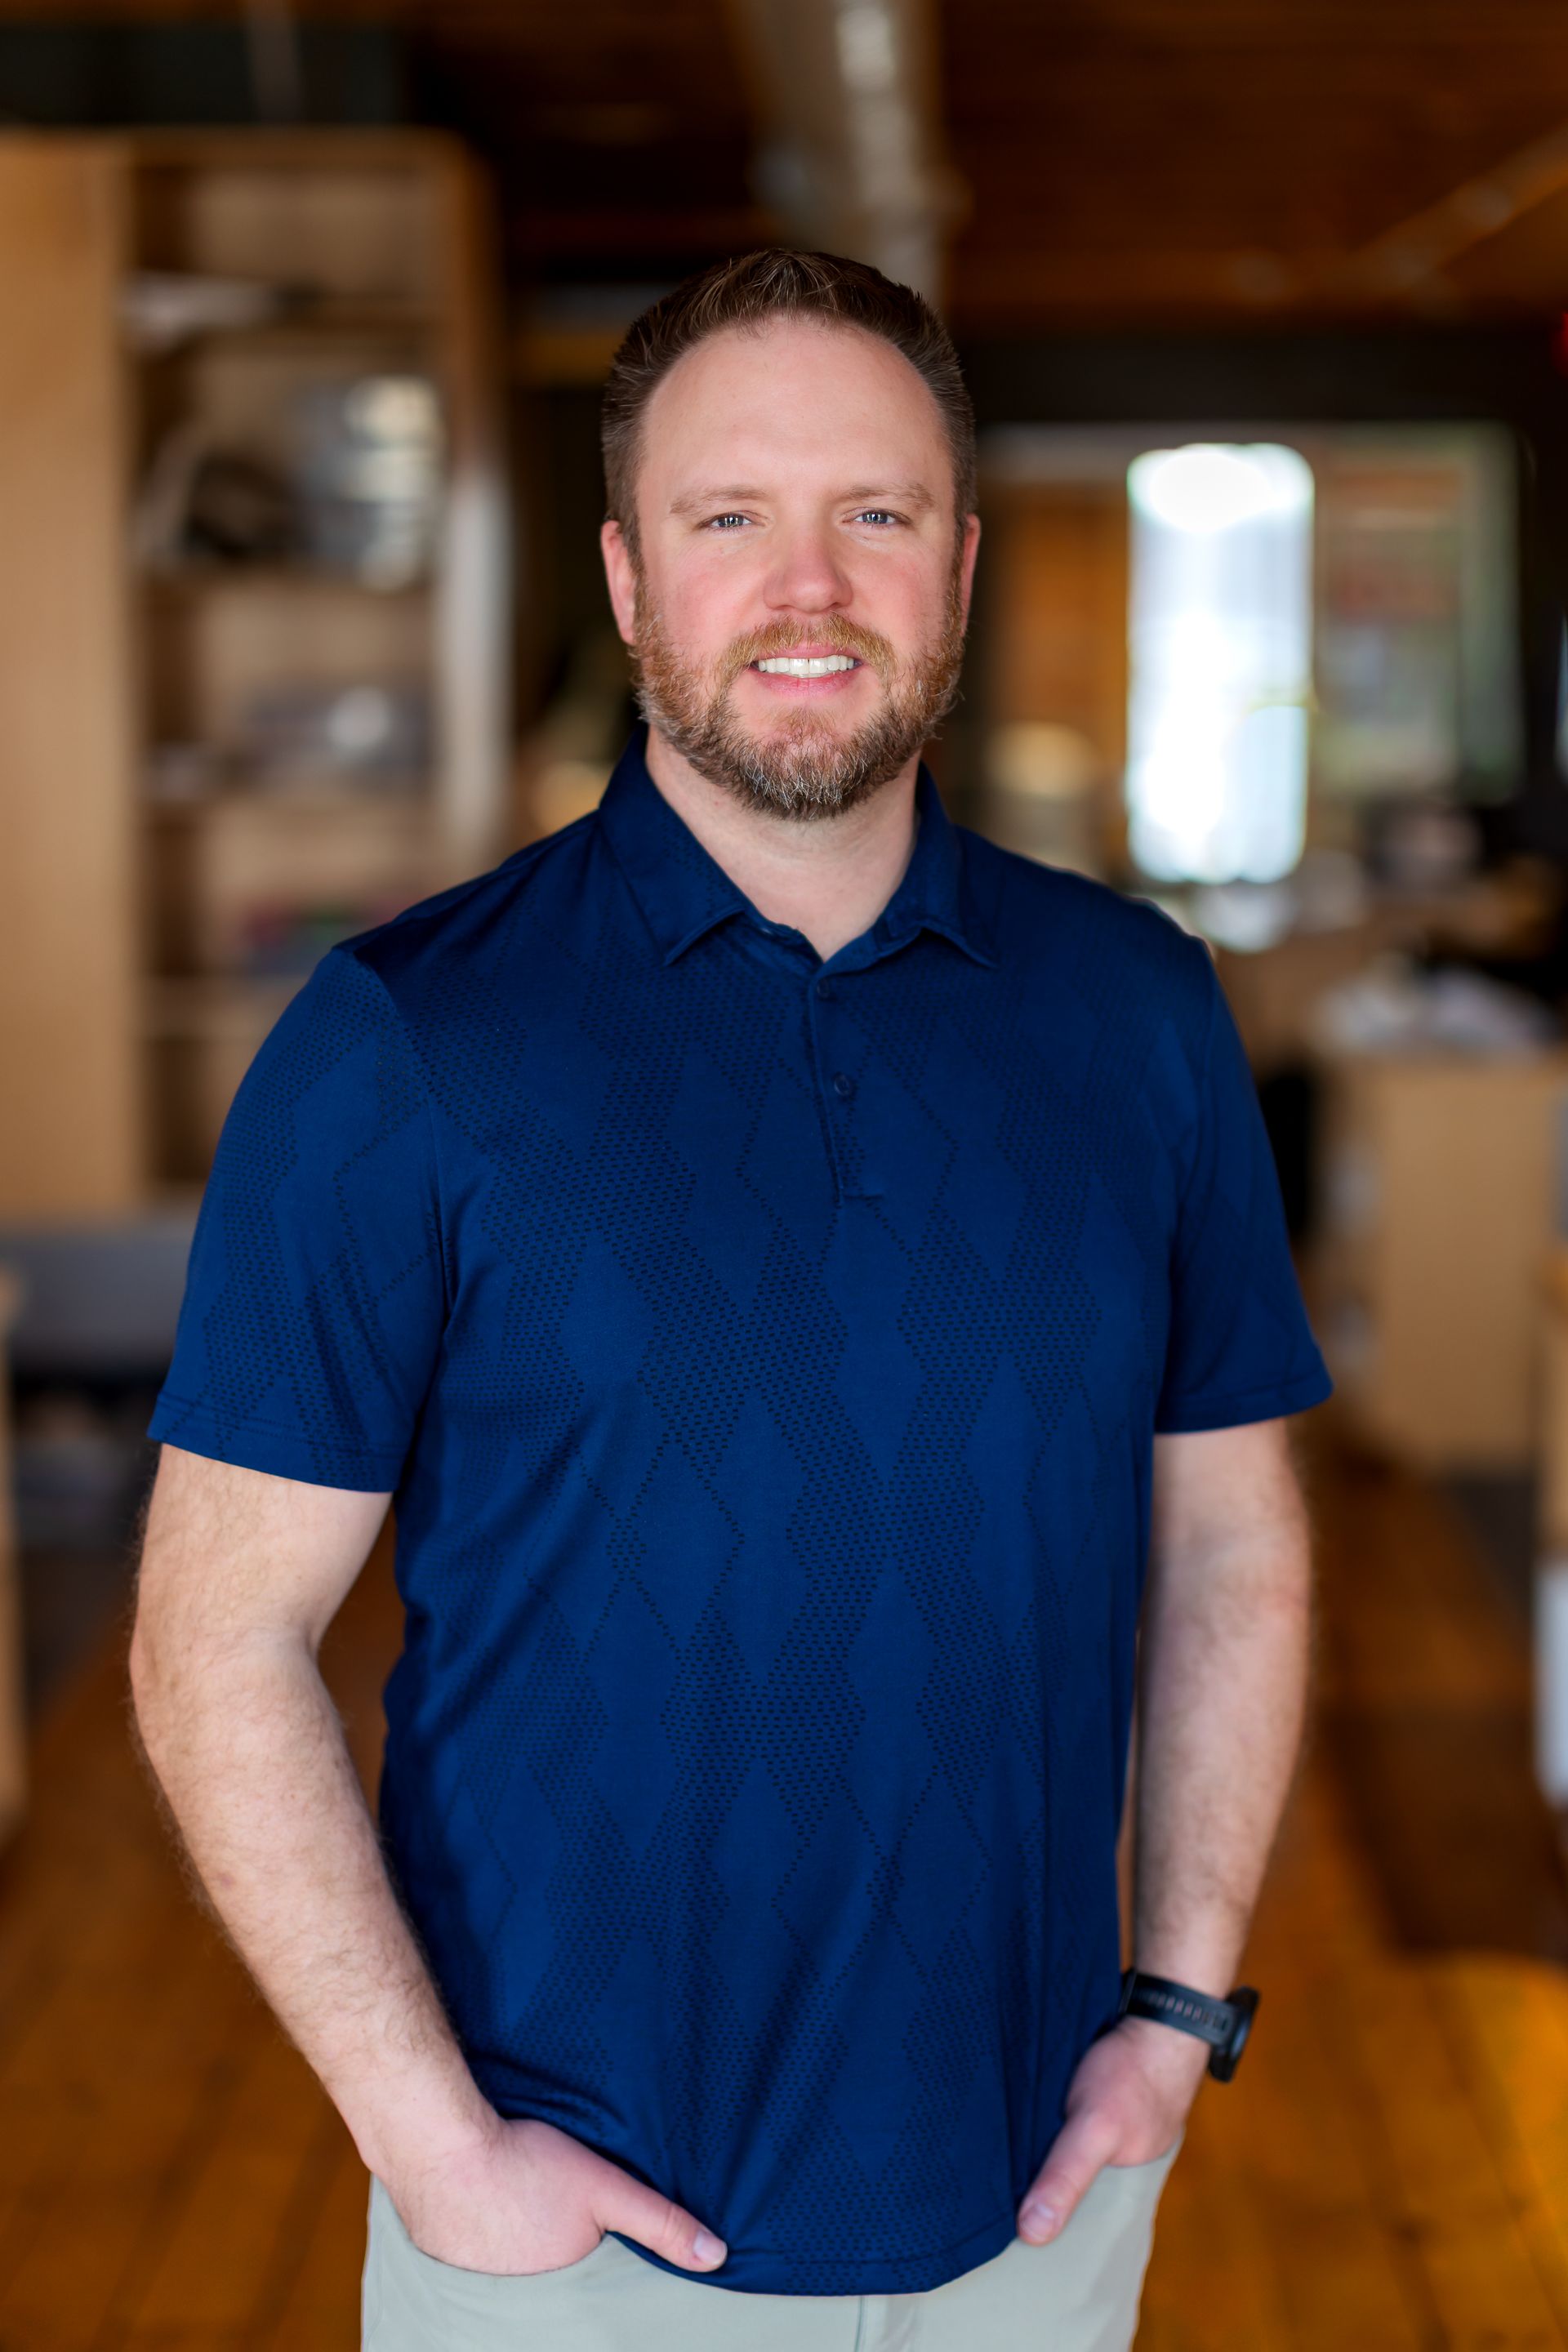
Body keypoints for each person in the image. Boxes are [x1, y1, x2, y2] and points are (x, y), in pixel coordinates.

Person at [129, 247, 1333, 2352]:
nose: (809, 588)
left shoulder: (1141, 1014)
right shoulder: (401, 1042)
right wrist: (433, 2147)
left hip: (1038, 2213)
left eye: (871, 514)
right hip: (569, 2241)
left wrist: (1173, 2008)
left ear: (956, 566)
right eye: (726, 520)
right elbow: (213, 1634)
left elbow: (1236, 1537)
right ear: (623, 578)